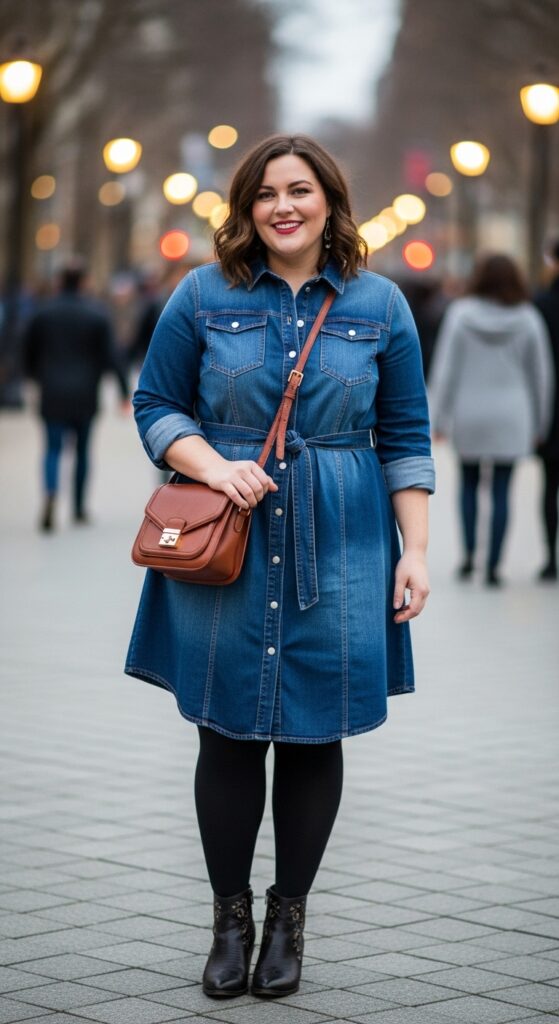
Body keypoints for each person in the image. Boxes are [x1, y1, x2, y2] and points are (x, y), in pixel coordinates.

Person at [125, 134, 434, 999]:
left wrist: (415, 551)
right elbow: (155, 403)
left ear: (330, 201)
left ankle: (287, 918)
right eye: (264, 194)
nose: (282, 206)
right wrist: (211, 465)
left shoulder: (380, 304)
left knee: (313, 733)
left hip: (342, 539)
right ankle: (229, 920)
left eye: (298, 190)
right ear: (246, 208)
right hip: (226, 537)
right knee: (225, 733)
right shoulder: (201, 293)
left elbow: (405, 436)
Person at [429, 253, 552, 585]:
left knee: (468, 485)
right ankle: (494, 565)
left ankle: (469, 557)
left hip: (469, 412)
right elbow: (541, 376)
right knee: (502, 489)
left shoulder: (460, 315)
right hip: (513, 414)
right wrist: (541, 422)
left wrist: (438, 418)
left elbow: (445, 370)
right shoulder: (528, 318)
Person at [24, 260, 129, 530]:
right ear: (84, 282)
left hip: (52, 392)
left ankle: (50, 493)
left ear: (59, 282)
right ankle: (79, 507)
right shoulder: (96, 314)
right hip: (85, 393)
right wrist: (123, 392)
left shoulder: (43, 313)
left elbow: (28, 351)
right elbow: (112, 356)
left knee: (52, 448)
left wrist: (35, 378)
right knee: (82, 451)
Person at [534, 239, 559, 581]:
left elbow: (537, 368)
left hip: (554, 408)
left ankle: (551, 557)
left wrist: (538, 419)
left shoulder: (541, 304)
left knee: (550, 486)